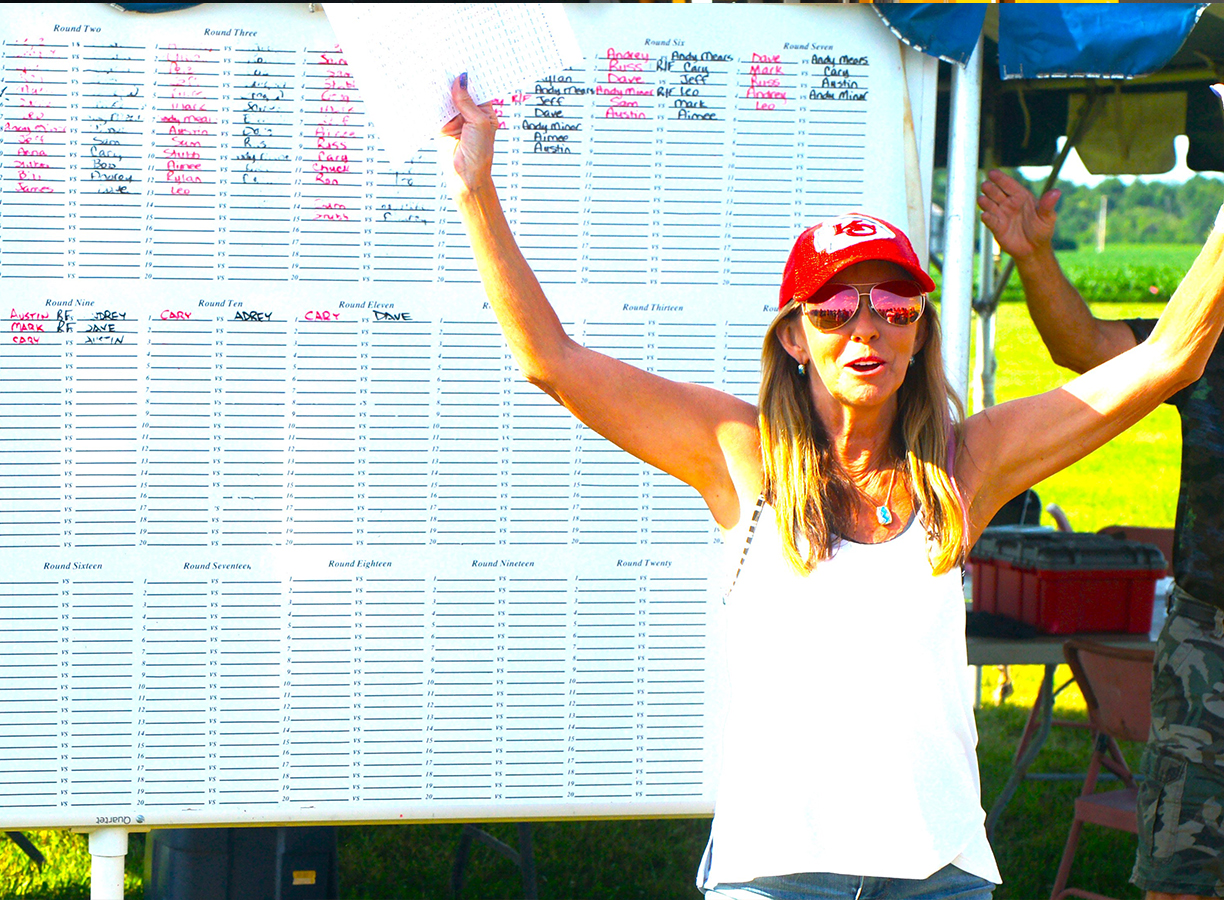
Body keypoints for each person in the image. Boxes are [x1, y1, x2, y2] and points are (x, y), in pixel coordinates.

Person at [443, 73, 1224, 900]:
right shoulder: (738, 454)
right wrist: (476, 190)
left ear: (919, 333)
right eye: (835, 310)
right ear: (794, 339)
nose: (866, 328)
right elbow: (553, 363)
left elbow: (1170, 356)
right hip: (772, 876)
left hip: (939, 876)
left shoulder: (967, 465)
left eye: (894, 305)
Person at [980, 167, 1224, 900]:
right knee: (1180, 878)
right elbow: (1087, 348)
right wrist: (1033, 256)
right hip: (1209, 640)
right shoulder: (1208, 332)